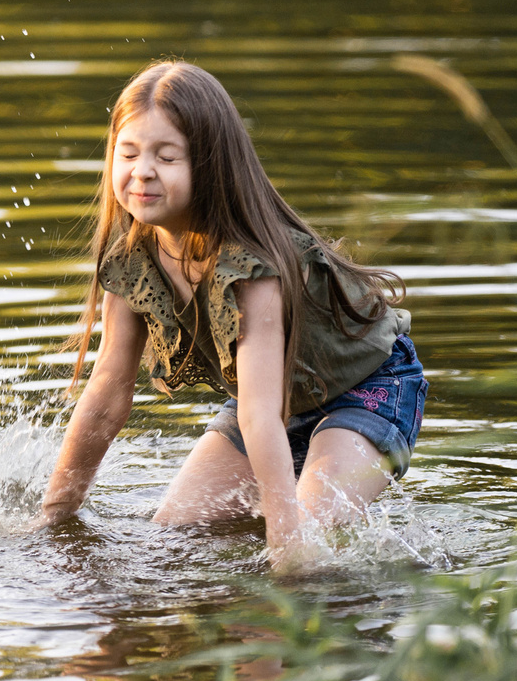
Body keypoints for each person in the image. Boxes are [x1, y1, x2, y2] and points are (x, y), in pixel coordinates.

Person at [35, 60, 427, 572]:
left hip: (367, 389)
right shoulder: (132, 261)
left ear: (211, 166)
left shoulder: (253, 268)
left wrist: (286, 553)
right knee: (174, 532)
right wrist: (54, 517)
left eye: (166, 156)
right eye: (127, 153)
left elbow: (260, 416)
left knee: (303, 540)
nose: (142, 171)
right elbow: (107, 395)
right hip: (270, 401)